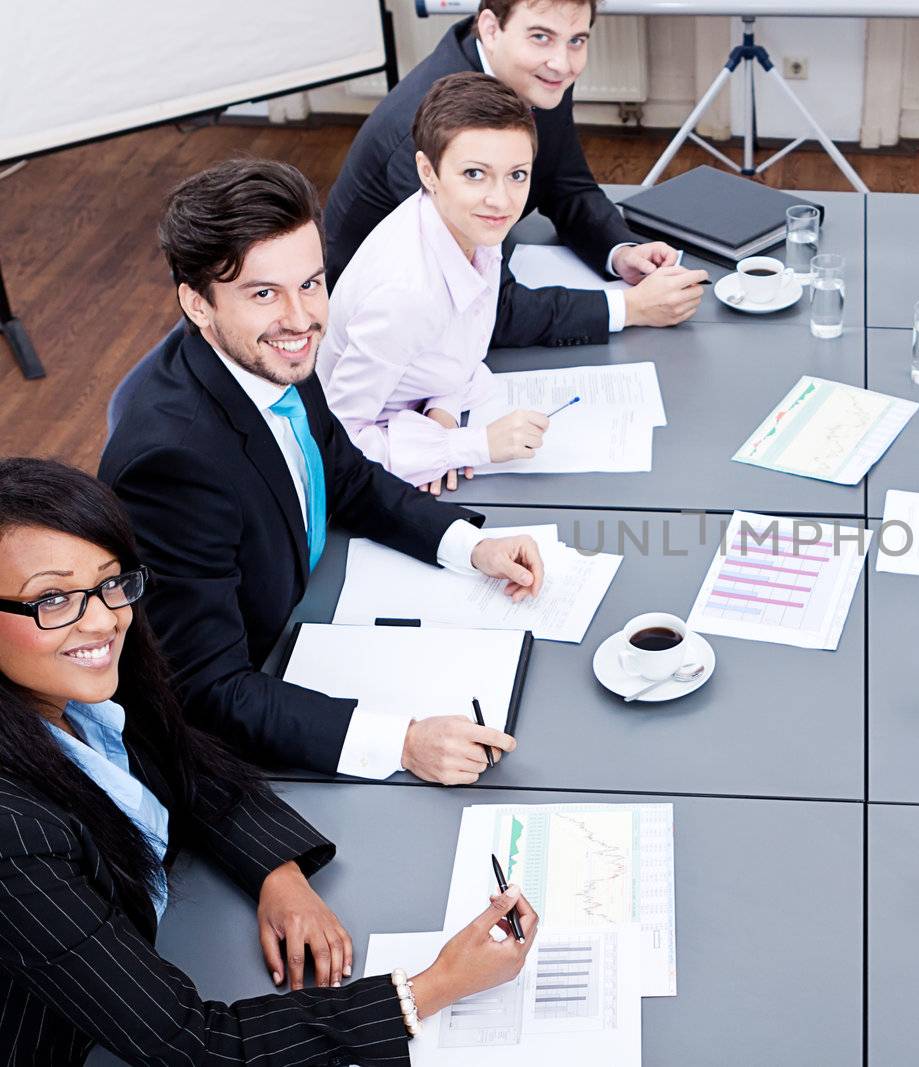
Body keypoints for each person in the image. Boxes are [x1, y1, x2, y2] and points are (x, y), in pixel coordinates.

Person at [0, 457, 539, 1066]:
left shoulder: (81, 682)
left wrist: (276, 872)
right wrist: (430, 989)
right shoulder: (13, 832)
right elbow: (196, 1048)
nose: (102, 619)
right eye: (50, 599)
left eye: (109, 582)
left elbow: (184, 760)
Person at [99, 158, 545, 784]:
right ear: (198, 305)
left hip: (314, 611)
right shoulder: (173, 464)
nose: (303, 318)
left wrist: (470, 546)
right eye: (264, 293)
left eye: (310, 283)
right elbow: (206, 689)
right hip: (259, 693)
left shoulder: (270, 360)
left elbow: (345, 474)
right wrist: (403, 742)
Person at [323, 0, 707, 348]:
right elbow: (484, 309)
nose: (563, 62)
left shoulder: (536, 75)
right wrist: (629, 307)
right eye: (541, 37)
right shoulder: (424, 129)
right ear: (490, 28)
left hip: (486, 257)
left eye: (577, 40)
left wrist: (620, 252)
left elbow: (566, 185)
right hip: (385, 330)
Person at [320, 72, 554, 494]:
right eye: (474, 174)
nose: (501, 200)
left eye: (517, 175)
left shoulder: (471, 227)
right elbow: (336, 446)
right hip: (373, 467)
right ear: (428, 172)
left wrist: (441, 419)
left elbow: (456, 353)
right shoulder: (404, 296)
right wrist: (468, 445)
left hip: (426, 418)